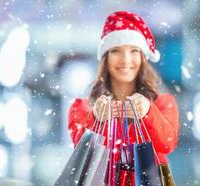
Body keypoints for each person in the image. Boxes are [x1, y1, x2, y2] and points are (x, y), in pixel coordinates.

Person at [68, 10, 179, 168]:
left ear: (143, 56)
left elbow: (167, 144)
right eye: (116, 51)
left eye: (134, 50)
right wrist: (95, 118)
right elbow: (80, 152)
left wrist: (149, 113)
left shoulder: (163, 103)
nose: (126, 60)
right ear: (105, 58)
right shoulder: (81, 108)